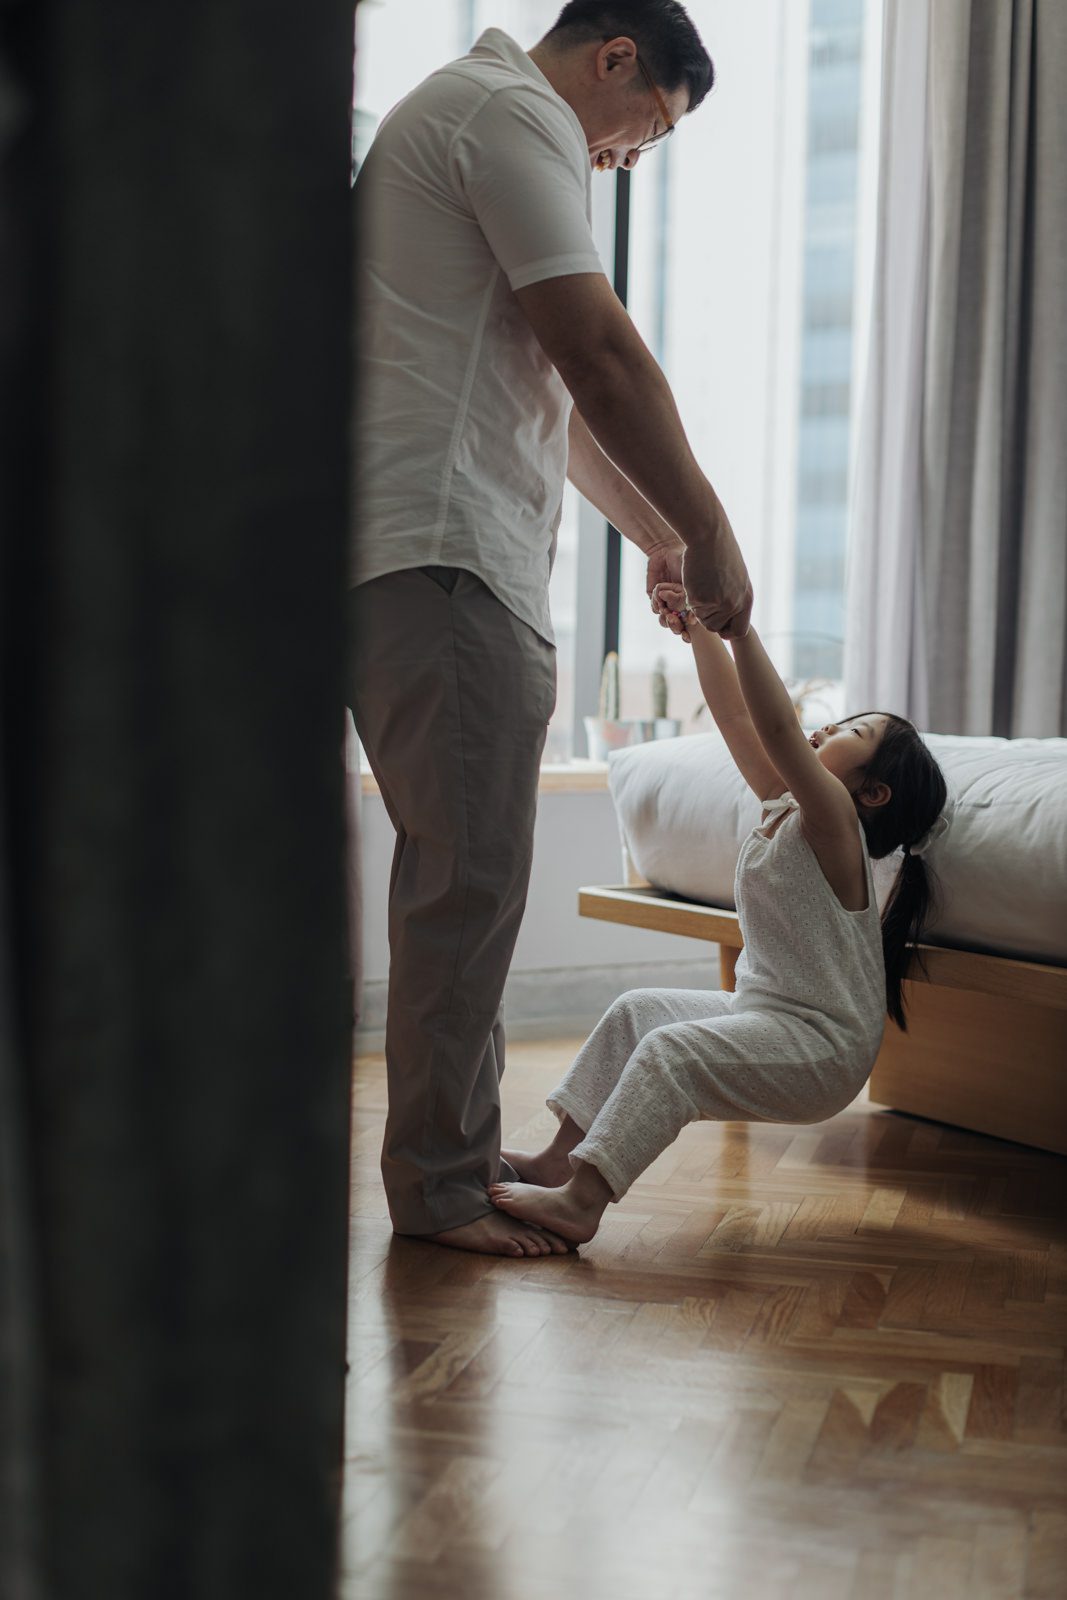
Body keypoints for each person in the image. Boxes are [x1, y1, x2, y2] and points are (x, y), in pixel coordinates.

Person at [349, 2, 753, 1257]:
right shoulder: (510, 115)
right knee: (464, 890)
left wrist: (656, 538)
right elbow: (601, 356)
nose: (630, 157)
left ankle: (451, 1160)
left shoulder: (461, 118)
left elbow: (555, 400)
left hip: (412, 549)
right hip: (446, 556)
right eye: (648, 131)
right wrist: (713, 529)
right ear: (614, 57)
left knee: (450, 882)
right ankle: (444, 1189)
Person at [489, 585, 949, 1245]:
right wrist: (699, 631)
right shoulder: (784, 805)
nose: (829, 726)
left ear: (871, 793)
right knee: (637, 1013)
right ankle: (556, 1160)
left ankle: (582, 1202)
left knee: (671, 1052)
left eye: (852, 731)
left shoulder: (835, 826)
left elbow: (779, 727)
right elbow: (736, 719)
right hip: (766, 1015)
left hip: (822, 1048)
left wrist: (739, 629)